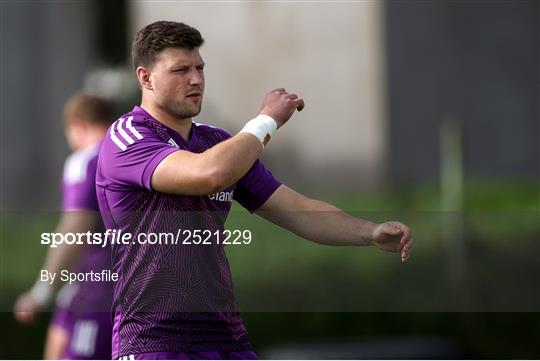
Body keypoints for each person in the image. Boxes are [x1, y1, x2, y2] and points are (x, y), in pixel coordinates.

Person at [96, 21, 414, 360]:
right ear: (145, 78)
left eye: (200, 68)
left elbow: (296, 209)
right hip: (154, 341)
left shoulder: (216, 142)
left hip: (226, 338)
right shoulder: (128, 136)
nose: (196, 79)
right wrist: (266, 120)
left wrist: (370, 231)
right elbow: (209, 174)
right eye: (181, 70)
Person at [14, 94, 115, 359]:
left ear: (77, 126)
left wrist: (41, 291)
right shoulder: (134, 155)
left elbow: (73, 229)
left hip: (99, 298)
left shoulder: (88, 160)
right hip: (143, 297)